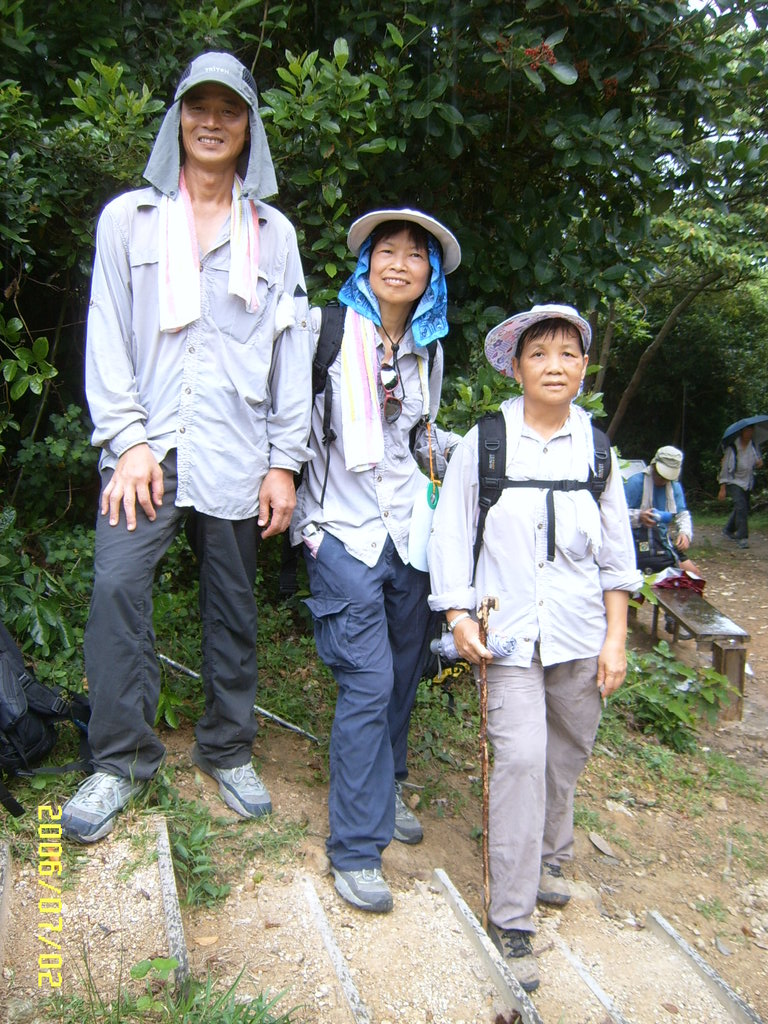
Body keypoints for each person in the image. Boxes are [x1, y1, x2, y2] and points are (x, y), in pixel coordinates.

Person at [61, 52, 314, 843]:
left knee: (233, 603)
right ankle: (121, 758)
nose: (212, 122)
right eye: (198, 107)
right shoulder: (128, 220)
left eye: (229, 109)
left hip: (238, 450)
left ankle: (227, 748)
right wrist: (129, 440)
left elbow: (291, 353)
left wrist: (284, 461)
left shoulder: (273, 235)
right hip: (146, 447)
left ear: (249, 128)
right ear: (177, 119)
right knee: (116, 588)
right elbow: (106, 332)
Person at [427, 303, 641, 991]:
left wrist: (616, 640)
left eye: (568, 354)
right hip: (507, 636)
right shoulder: (485, 442)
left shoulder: (598, 451)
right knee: (520, 758)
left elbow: (617, 558)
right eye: (540, 354)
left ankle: (551, 854)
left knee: (565, 753)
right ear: (516, 367)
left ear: (584, 368)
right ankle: (512, 918)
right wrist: (457, 614)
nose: (555, 366)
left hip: (580, 634)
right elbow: (450, 534)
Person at [290, 208, 461, 913]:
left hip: (408, 536)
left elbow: (417, 436)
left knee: (402, 674)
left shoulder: (428, 349)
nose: (399, 263)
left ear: (430, 275)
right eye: (386, 250)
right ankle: (357, 848)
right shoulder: (323, 332)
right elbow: (288, 420)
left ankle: (382, 787)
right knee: (367, 680)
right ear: (366, 264)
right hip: (340, 529)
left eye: (415, 255)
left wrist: (469, 454)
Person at [624, 446, 700, 574]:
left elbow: (682, 514)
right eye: (660, 476)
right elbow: (617, 515)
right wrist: (639, 516)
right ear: (654, 467)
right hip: (635, 544)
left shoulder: (674, 487)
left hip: (662, 543)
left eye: (667, 478)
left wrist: (685, 533)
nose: (663, 480)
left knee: (694, 575)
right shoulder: (635, 483)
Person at [719, 426, 763, 549]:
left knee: (743, 507)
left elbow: (757, 462)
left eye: (751, 431)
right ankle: (742, 537)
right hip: (733, 481)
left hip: (747, 482)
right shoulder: (732, 448)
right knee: (741, 506)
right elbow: (725, 469)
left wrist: (759, 463)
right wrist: (722, 488)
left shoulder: (753, 446)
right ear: (742, 432)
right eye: (747, 431)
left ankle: (728, 529)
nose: (749, 433)